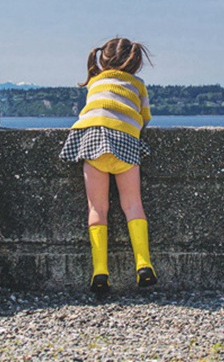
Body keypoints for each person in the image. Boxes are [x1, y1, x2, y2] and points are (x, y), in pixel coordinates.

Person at [59, 37, 157, 294]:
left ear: (103, 60)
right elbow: (144, 118)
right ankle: (143, 264)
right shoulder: (138, 85)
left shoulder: (95, 82)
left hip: (92, 141)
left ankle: (100, 270)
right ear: (134, 63)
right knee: (133, 203)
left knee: (97, 207)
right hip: (124, 143)